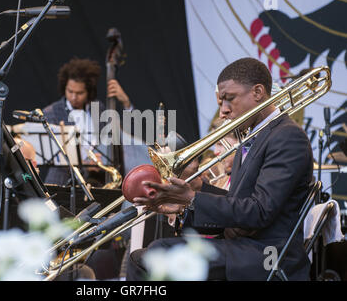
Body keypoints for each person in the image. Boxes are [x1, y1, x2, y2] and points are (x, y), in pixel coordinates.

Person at [127, 57, 313, 281]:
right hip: (244, 247)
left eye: (229, 99)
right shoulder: (254, 136)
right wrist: (187, 201)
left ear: (258, 92)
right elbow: (240, 202)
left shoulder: (287, 136)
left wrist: (193, 199)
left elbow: (259, 212)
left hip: (268, 256)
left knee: (157, 254)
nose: (223, 111)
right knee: (146, 254)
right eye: (221, 101)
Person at [42, 57, 133, 186]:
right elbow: (50, 157)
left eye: (80, 93)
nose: (74, 97)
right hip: (62, 184)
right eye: (70, 91)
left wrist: (126, 102)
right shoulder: (51, 113)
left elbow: (124, 137)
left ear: (89, 92)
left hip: (99, 183)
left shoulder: (99, 108)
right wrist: (85, 164)